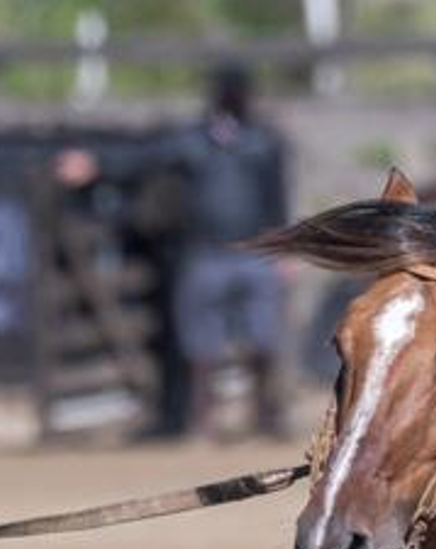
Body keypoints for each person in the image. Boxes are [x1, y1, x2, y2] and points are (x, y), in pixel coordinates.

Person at [57, 64, 294, 440]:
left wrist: (284, 250)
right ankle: (202, 419)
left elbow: (277, 197)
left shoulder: (264, 141)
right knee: (201, 346)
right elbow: (142, 160)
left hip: (254, 252)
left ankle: (265, 415)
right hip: (205, 252)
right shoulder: (193, 140)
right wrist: (96, 166)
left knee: (262, 338)